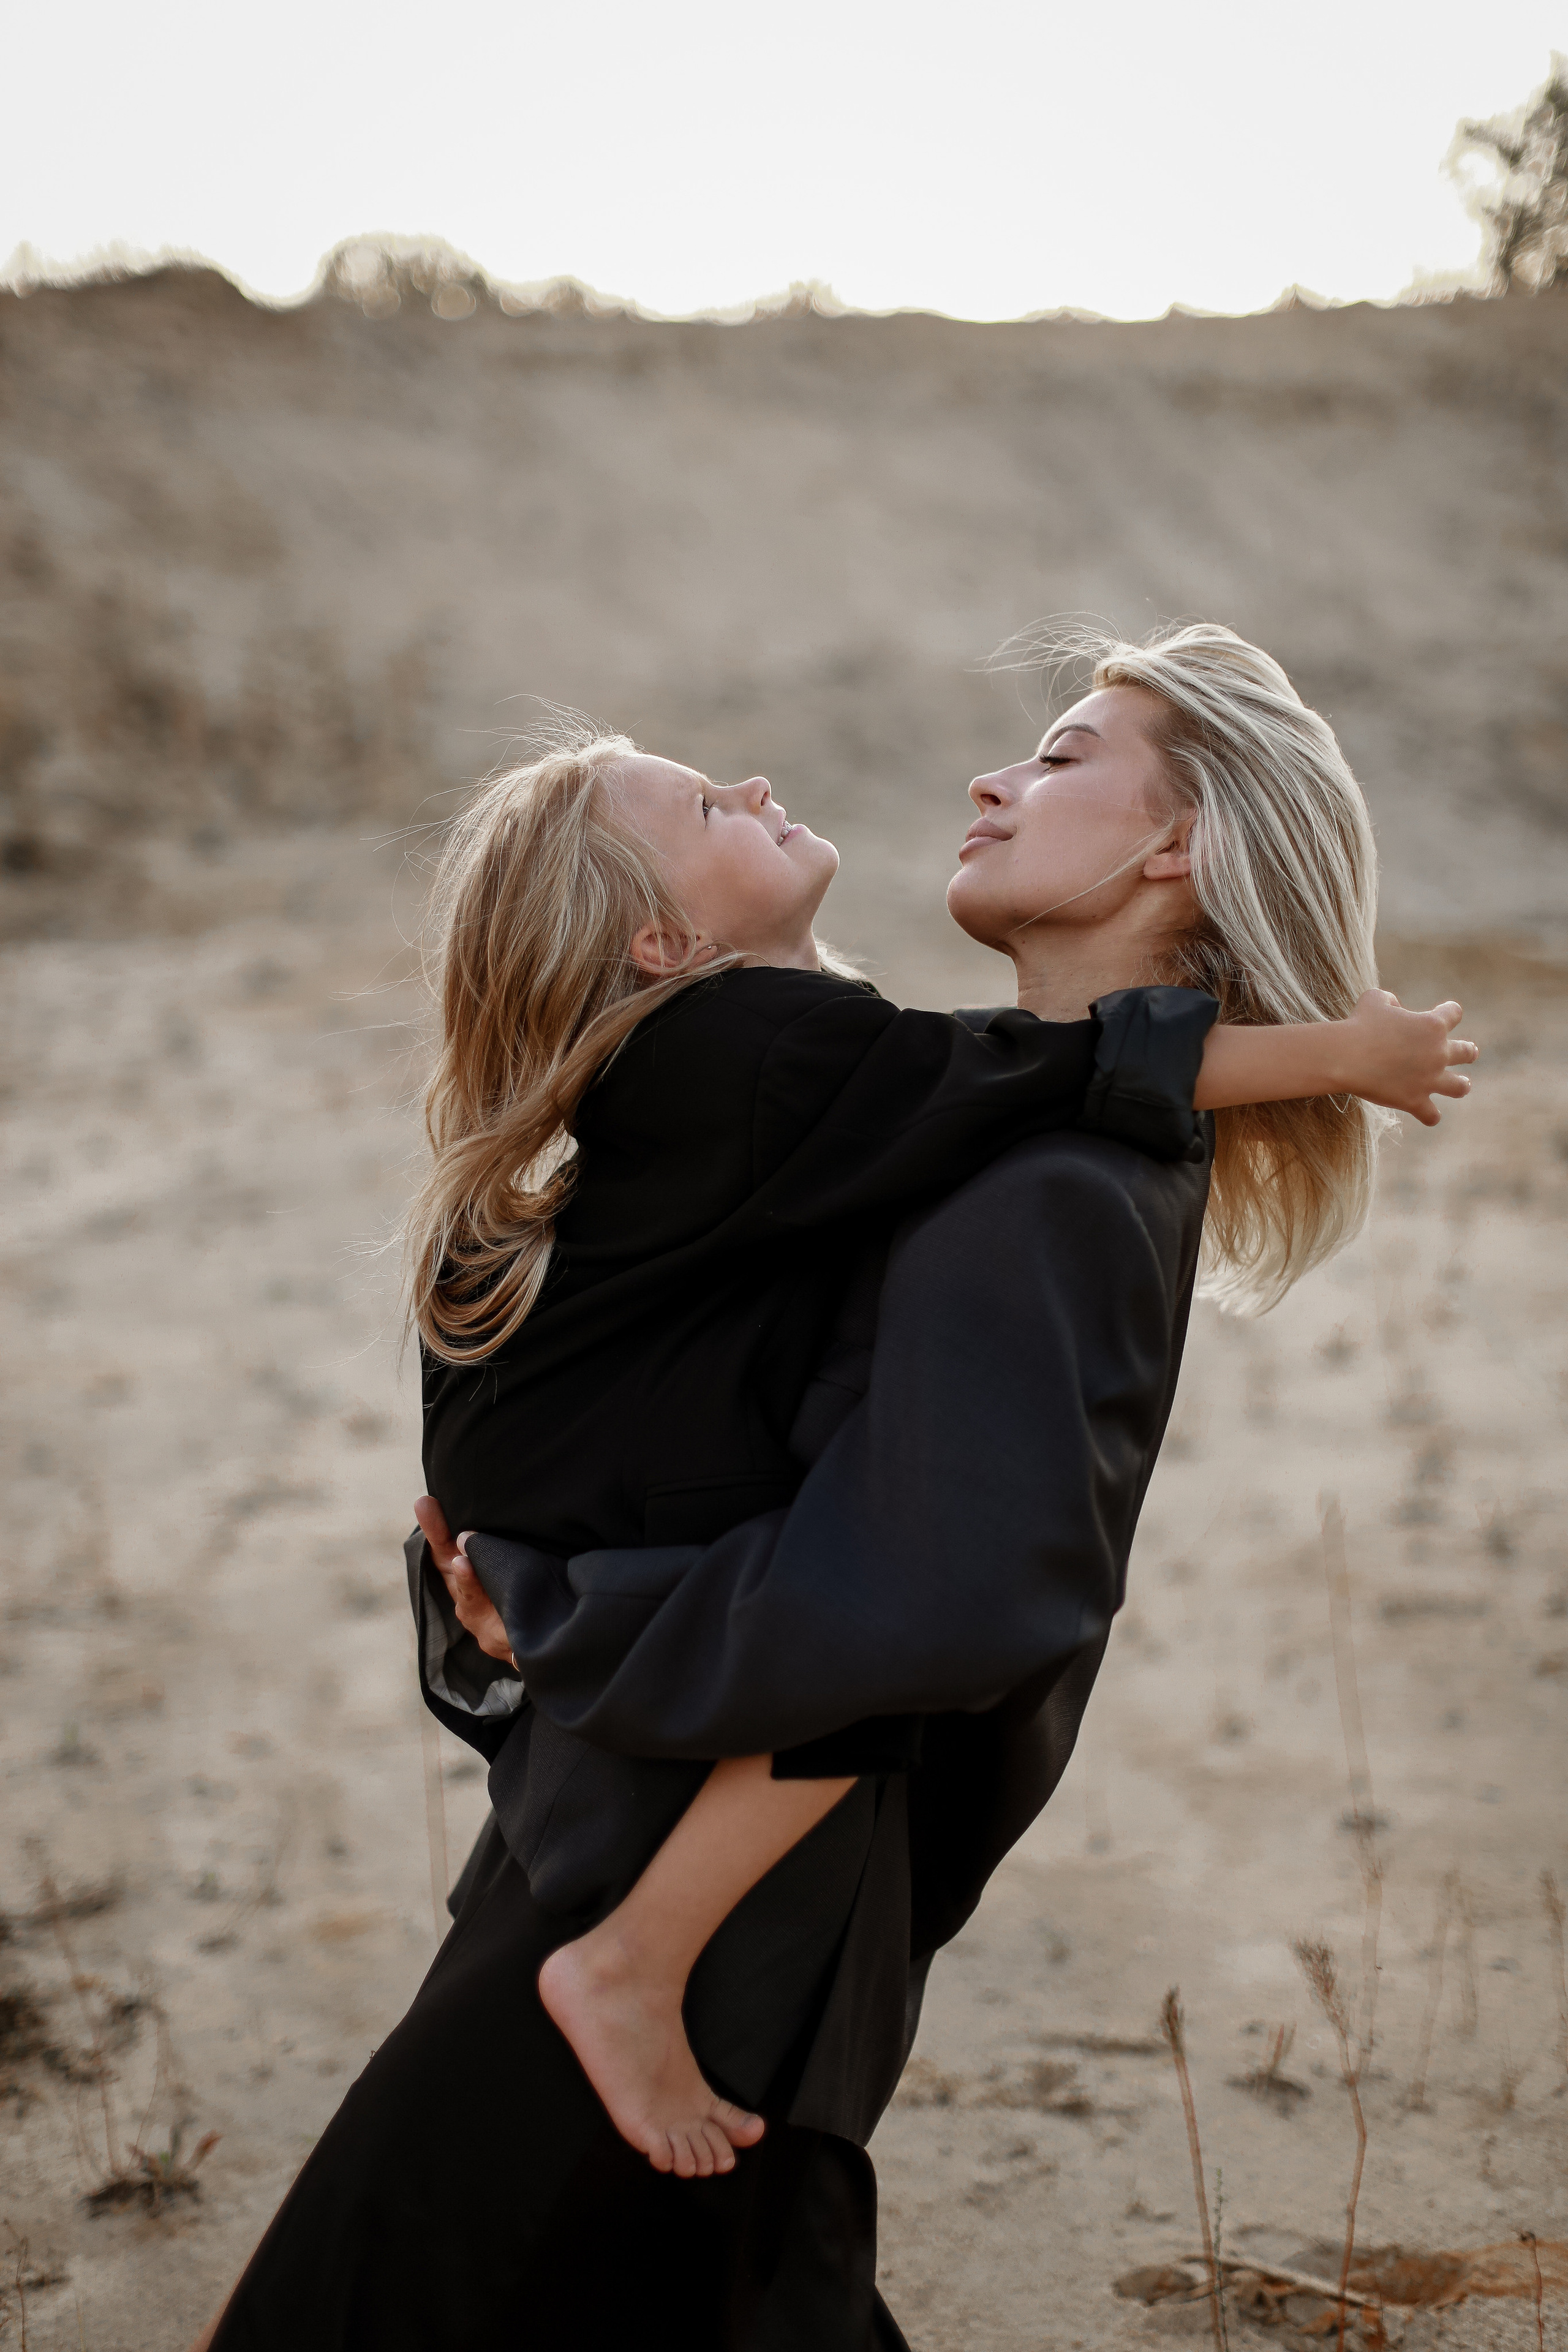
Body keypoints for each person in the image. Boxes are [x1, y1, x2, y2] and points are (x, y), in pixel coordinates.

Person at [194, 622, 1473, 2352]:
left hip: (709, 1904)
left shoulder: (1055, 1186)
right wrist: (541, 1606)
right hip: (651, 1843)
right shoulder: (949, 1129)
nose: (993, 778)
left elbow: (939, 1607)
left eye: (1063, 757)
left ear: (1178, 846)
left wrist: (579, 1618)